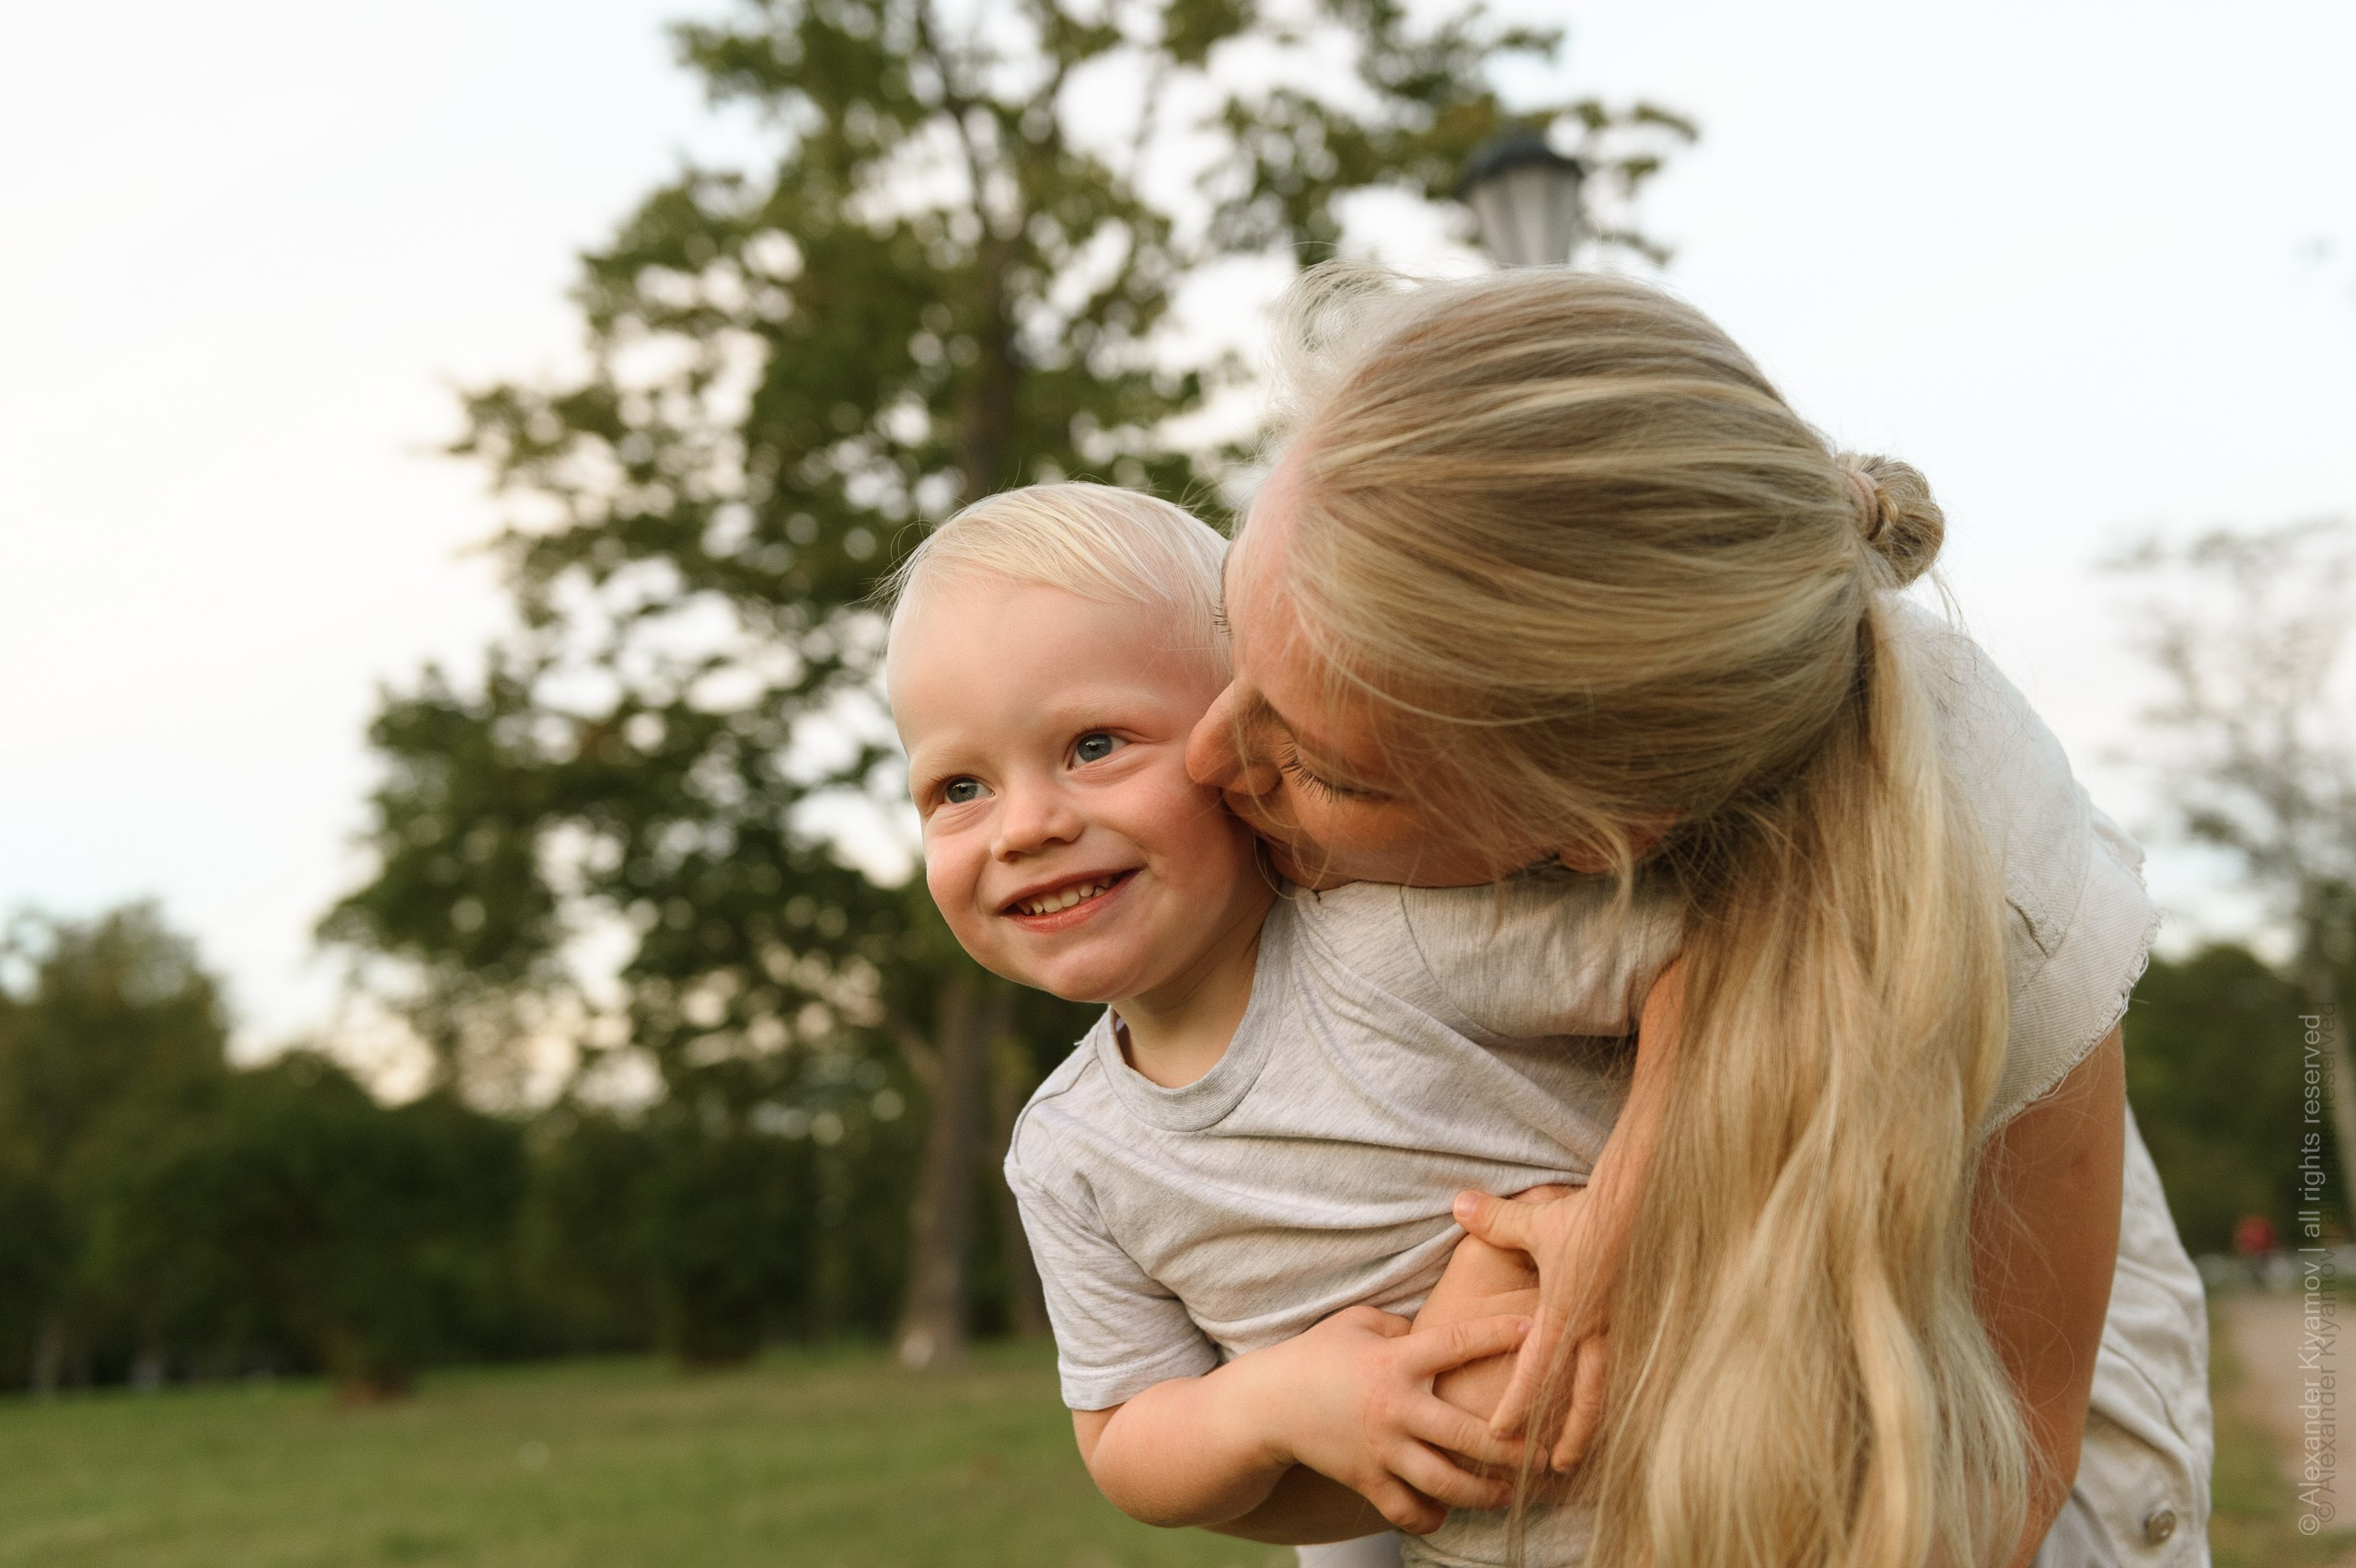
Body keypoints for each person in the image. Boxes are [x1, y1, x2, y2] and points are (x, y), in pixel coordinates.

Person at [1185, 265, 2212, 1567]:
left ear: (1594, 840)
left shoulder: (1998, 884)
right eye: (1233, 633)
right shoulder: (1375, 605)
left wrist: (1664, 1222)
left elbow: (2001, 1470)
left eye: (1326, 768)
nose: (1205, 762)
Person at [882, 481, 1695, 1566]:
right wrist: (1273, 1405)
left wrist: (1629, 1202)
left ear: (1245, 741)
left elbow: (1709, 958)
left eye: (1092, 745)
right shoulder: (1068, 1154)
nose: (1026, 825)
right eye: (957, 787)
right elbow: (1125, 1434)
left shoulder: (1393, 941)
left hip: (1720, 1478)